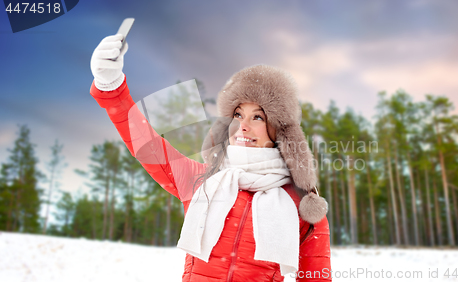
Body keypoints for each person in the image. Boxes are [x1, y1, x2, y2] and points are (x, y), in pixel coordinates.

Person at [90, 34, 332, 281]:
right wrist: (112, 88)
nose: (243, 126)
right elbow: (146, 144)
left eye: (257, 117)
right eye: (238, 115)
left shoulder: (303, 206)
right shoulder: (201, 181)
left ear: (279, 129)